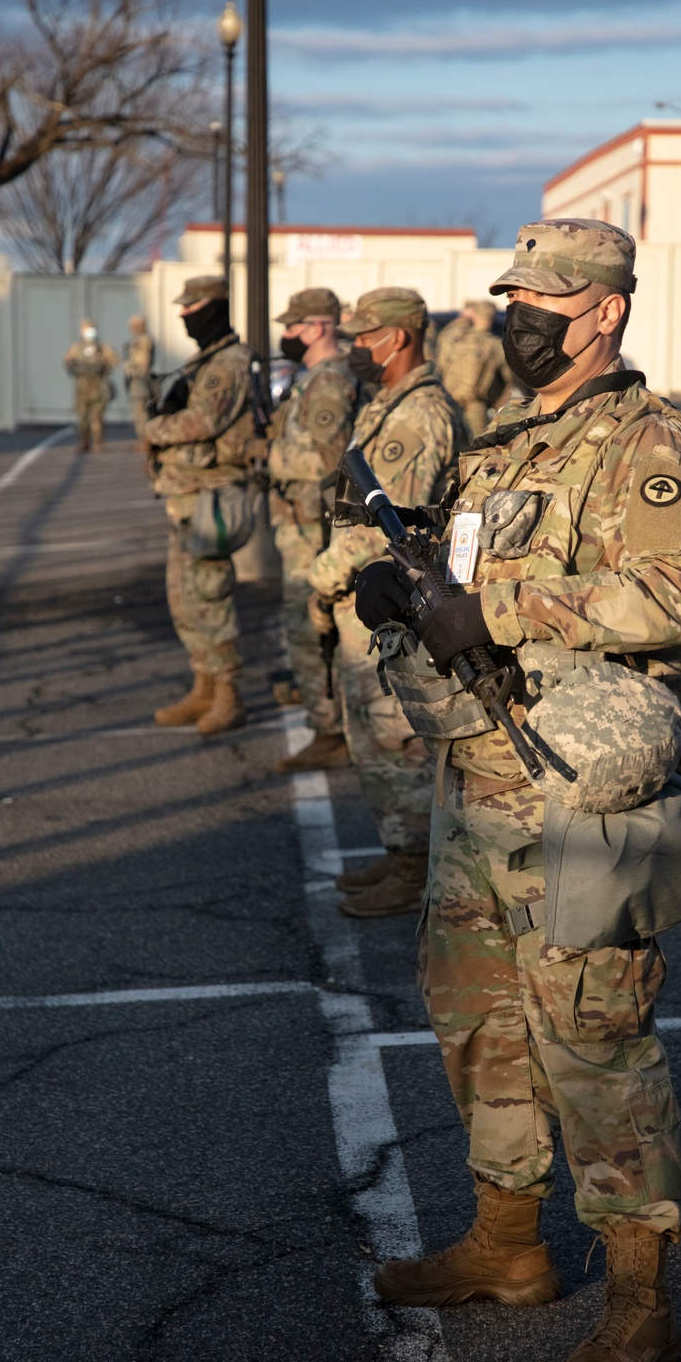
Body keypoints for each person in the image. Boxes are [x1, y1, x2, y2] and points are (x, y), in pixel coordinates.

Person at [355, 221, 681, 1362]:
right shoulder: (506, 444)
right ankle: (507, 1248)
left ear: (604, 311)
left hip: (575, 793)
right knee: (477, 1022)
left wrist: (494, 607)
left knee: (595, 1043)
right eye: (510, 294)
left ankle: (638, 1308)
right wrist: (401, 584)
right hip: (478, 784)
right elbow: (459, 582)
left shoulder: (650, 444)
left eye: (545, 299)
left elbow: (669, 596)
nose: (518, 316)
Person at [307, 287, 468, 918]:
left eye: (362, 338)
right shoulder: (391, 404)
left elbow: (386, 523)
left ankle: (416, 870)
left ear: (396, 338)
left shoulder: (417, 415)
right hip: (369, 594)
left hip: (387, 597)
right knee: (374, 739)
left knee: (397, 741)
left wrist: (323, 576)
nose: (354, 351)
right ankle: (401, 855)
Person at [144, 275, 261, 737]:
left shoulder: (228, 363)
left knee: (209, 597)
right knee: (184, 598)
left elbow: (203, 420)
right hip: (186, 496)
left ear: (212, 308)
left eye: (191, 308)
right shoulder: (206, 360)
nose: (183, 316)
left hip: (211, 497)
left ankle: (229, 694)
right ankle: (204, 685)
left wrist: (153, 429)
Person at [269, 288, 364, 774]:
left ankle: (331, 729)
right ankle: (329, 723)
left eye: (293, 325)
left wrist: (268, 457)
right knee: (307, 626)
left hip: (313, 525)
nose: (285, 335)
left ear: (319, 326)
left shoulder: (331, 380)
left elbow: (329, 457)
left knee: (310, 627)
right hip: (299, 522)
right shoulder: (315, 377)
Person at [437, 298, 513, 437]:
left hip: (449, 402)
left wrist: (462, 319)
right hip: (474, 406)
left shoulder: (456, 340)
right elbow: (509, 378)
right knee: (476, 448)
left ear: (474, 315)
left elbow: (441, 359)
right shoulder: (495, 345)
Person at [63, 320, 118, 453]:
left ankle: (98, 442)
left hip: (98, 386)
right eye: (86, 329)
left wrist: (103, 368)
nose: (89, 332)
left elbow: (114, 360)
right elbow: (67, 361)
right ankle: (84, 441)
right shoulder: (76, 347)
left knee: (97, 415)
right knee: (82, 415)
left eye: (91, 328)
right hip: (82, 387)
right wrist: (77, 368)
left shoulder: (102, 346)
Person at [123, 315, 155, 442]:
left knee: (142, 412)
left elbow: (143, 363)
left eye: (134, 325)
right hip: (136, 381)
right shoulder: (137, 340)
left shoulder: (143, 340)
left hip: (141, 380)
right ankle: (143, 439)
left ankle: (145, 440)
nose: (132, 328)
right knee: (139, 411)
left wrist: (130, 368)